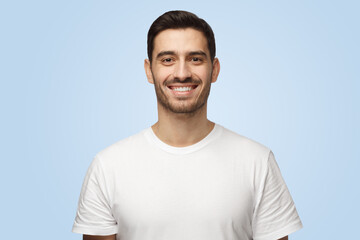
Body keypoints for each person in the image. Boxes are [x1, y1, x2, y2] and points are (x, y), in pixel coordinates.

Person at [72, 10, 303, 240]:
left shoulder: (257, 162)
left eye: (195, 59)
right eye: (168, 60)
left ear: (215, 70)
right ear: (148, 70)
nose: (182, 73)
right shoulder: (107, 167)